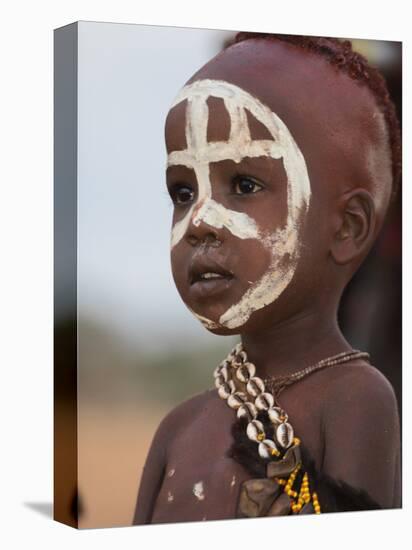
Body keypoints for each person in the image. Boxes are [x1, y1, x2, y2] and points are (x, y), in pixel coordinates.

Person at [133, 33, 401, 525]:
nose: (200, 221)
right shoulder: (177, 429)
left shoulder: (354, 398)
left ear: (346, 227)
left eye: (244, 185)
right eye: (183, 191)